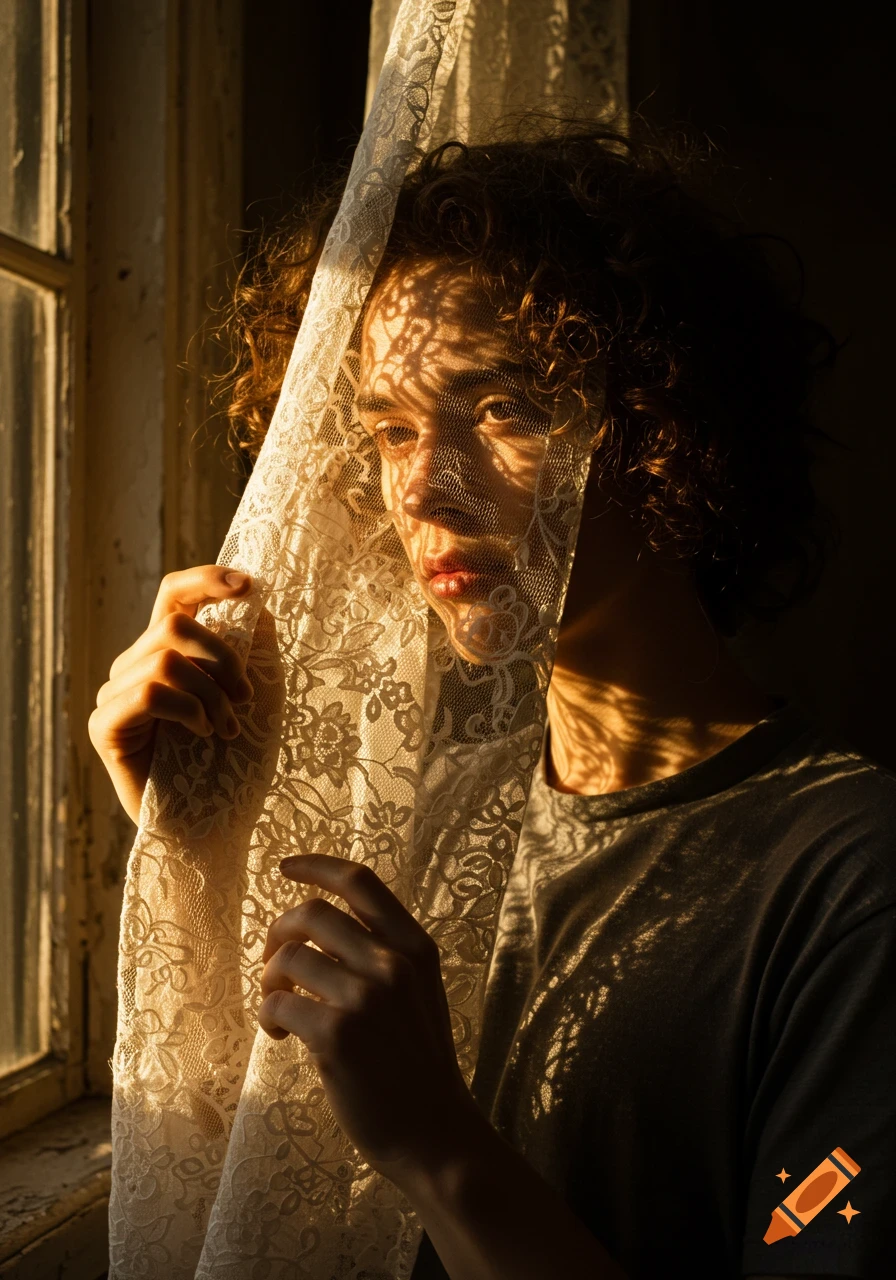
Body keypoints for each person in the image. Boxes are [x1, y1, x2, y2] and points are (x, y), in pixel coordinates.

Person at [89, 124, 896, 1279]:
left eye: (503, 408)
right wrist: (190, 848)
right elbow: (269, 1175)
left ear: (664, 427)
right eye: (390, 429)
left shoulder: (847, 873)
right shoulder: (427, 819)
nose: (423, 486)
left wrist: (436, 1138)